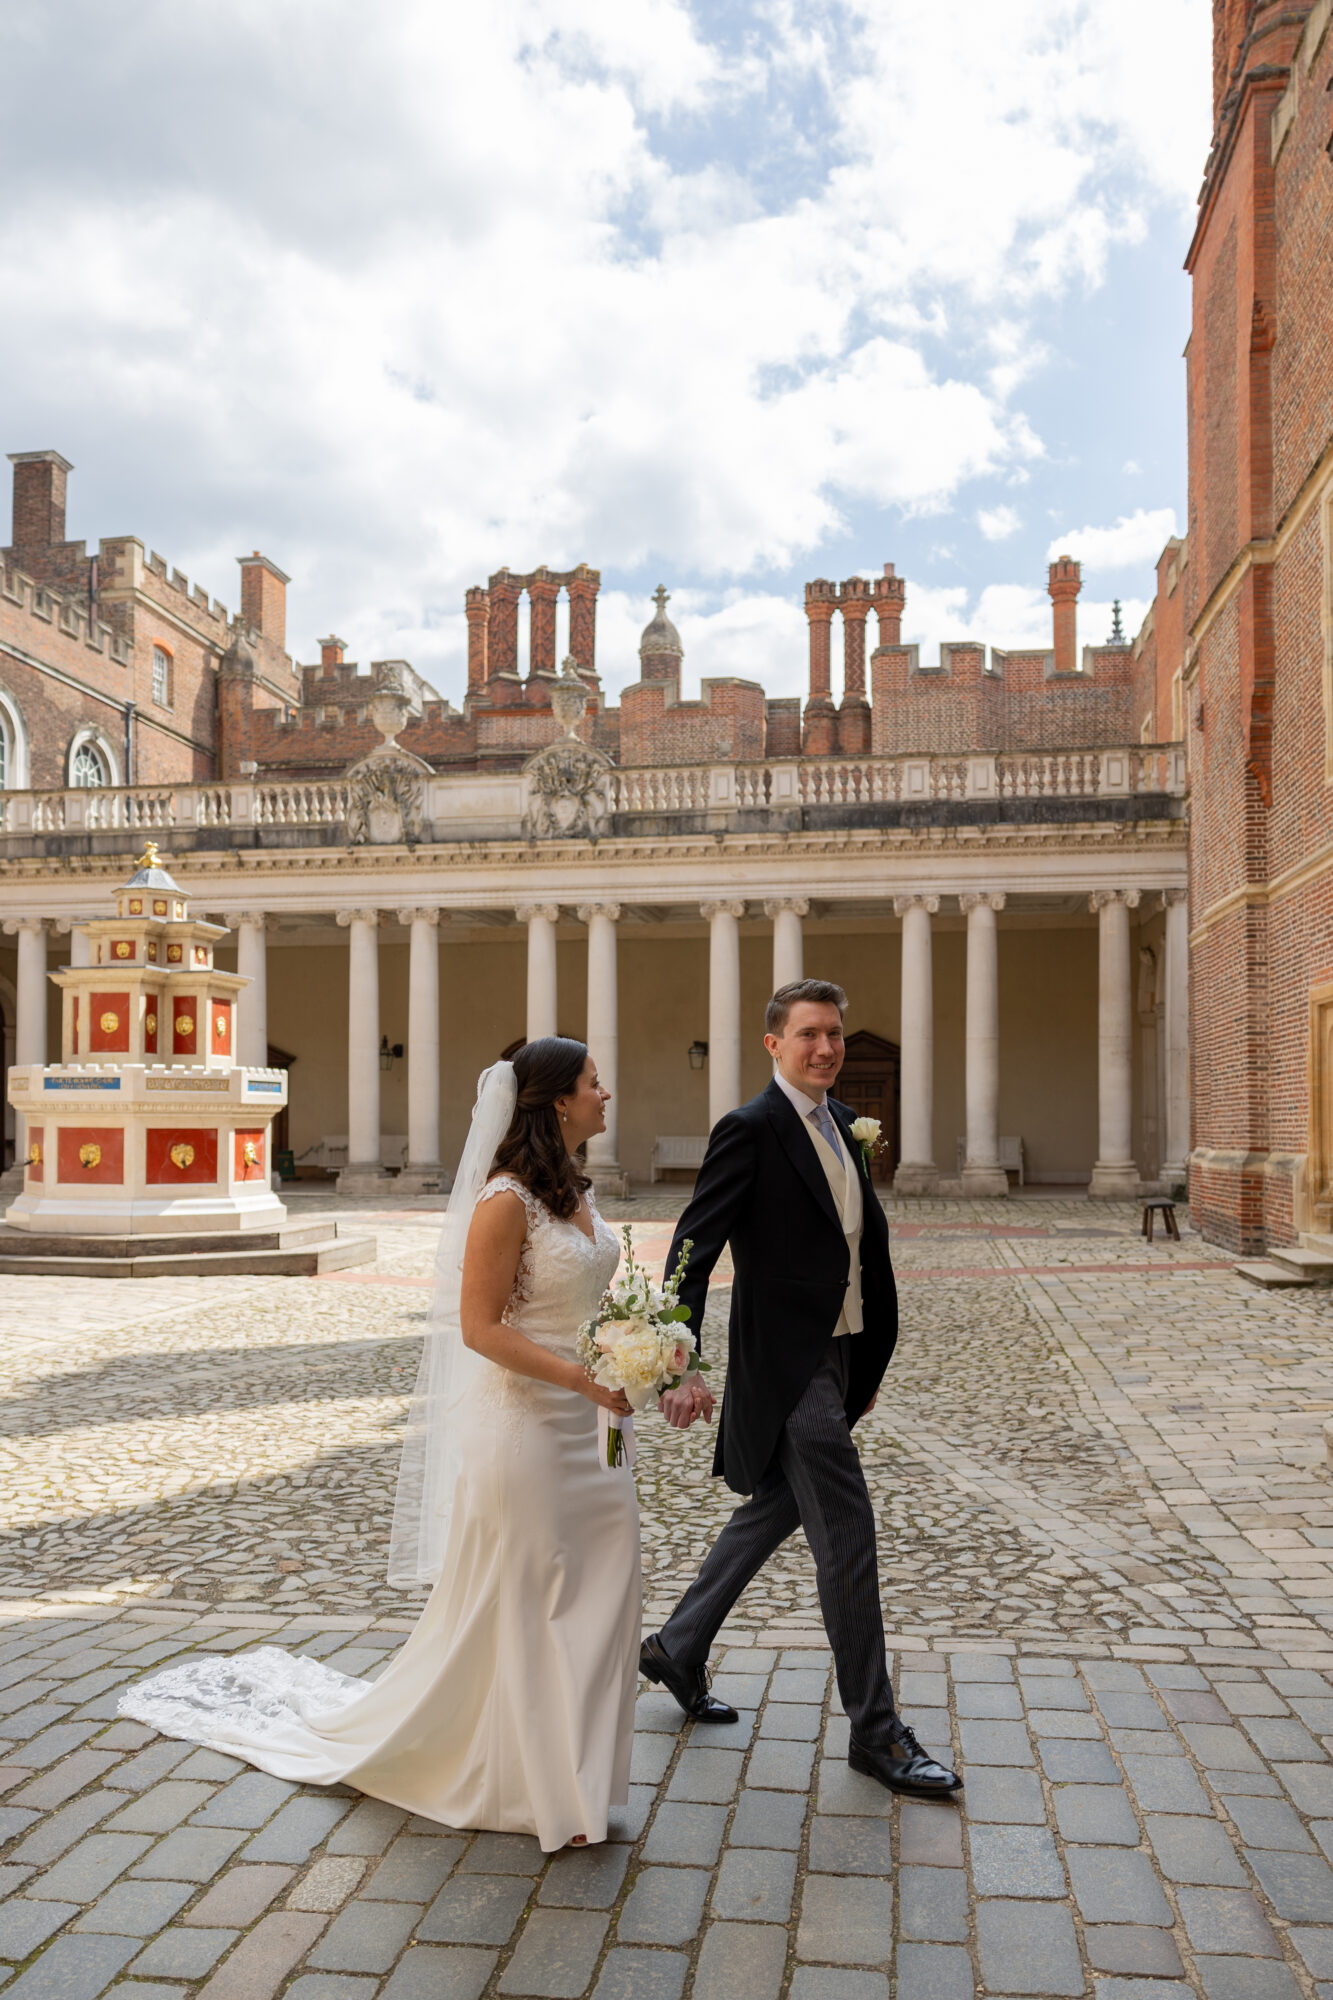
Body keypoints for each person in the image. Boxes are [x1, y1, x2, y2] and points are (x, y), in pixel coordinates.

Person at [121, 1038, 698, 1851]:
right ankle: (538, 1791)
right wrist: (580, 1378)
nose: (607, 1097)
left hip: (597, 1427)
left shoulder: (576, 1190)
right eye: (594, 1085)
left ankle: (579, 1776)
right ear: (557, 1102)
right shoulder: (505, 1201)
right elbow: (478, 1328)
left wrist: (643, 1350)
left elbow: (587, 1306)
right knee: (536, 1609)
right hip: (528, 1432)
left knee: (605, 1601)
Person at [640, 979, 962, 1799]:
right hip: (785, 1366)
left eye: (835, 1035)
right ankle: (876, 1734)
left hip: (840, 1356)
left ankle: (676, 1648)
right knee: (846, 1529)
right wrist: (680, 1359)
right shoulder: (749, 1129)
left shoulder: (845, 1128)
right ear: (772, 1044)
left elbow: (851, 1250)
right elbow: (692, 1247)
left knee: (781, 1503)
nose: (826, 1048)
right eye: (809, 1034)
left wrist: (863, 1363)